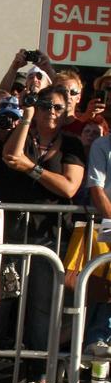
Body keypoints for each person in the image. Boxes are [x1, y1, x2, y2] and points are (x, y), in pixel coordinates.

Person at [2, 84, 85, 383]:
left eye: (58, 107)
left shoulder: (72, 144)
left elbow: (69, 187)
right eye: (45, 104)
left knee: (41, 306)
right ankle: (0, 371)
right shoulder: (24, 131)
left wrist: (31, 168)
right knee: (5, 302)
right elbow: (11, 156)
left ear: (66, 114)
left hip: (48, 235)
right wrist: (26, 117)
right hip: (13, 231)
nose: (50, 111)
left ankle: (38, 372)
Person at [83, 127, 111, 356]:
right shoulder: (102, 145)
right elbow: (96, 189)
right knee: (103, 287)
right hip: (107, 225)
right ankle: (97, 337)